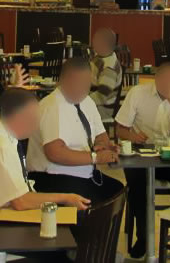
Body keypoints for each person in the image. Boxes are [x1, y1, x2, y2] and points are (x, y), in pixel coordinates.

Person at [0, 88, 89, 262]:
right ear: (18, 118)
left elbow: (9, 102)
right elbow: (20, 202)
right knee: (60, 250)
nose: (36, 126)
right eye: (33, 120)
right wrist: (66, 197)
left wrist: (15, 87)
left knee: (67, 232)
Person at [115, 58, 170, 259]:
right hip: (140, 155)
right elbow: (120, 129)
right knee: (138, 185)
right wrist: (133, 136)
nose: (166, 83)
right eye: (163, 78)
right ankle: (143, 238)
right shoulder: (137, 93)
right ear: (156, 77)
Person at [27, 57, 123, 203]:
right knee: (95, 204)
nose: (81, 89)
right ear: (62, 80)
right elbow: (54, 153)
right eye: (76, 83)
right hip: (52, 178)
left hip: (84, 174)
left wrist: (103, 146)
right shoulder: (52, 106)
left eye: (86, 84)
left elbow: (101, 135)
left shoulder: (87, 101)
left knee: (118, 191)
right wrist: (95, 157)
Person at [89, 28, 123, 120]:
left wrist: (80, 102)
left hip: (103, 109)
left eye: (95, 39)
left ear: (103, 43)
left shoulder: (109, 67)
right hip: (94, 102)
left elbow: (101, 96)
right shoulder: (100, 57)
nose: (92, 42)